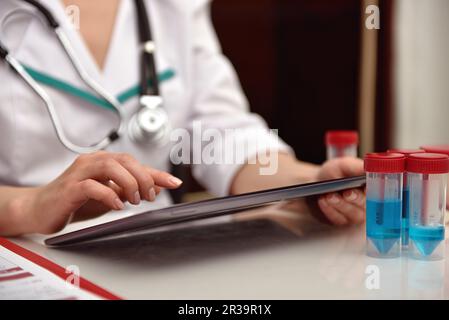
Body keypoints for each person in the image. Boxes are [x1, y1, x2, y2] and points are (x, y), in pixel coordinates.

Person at [0, 0, 365, 237]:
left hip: (151, 248)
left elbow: (222, 133)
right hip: (25, 250)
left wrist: (307, 184)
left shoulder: (176, 6)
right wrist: (31, 205)